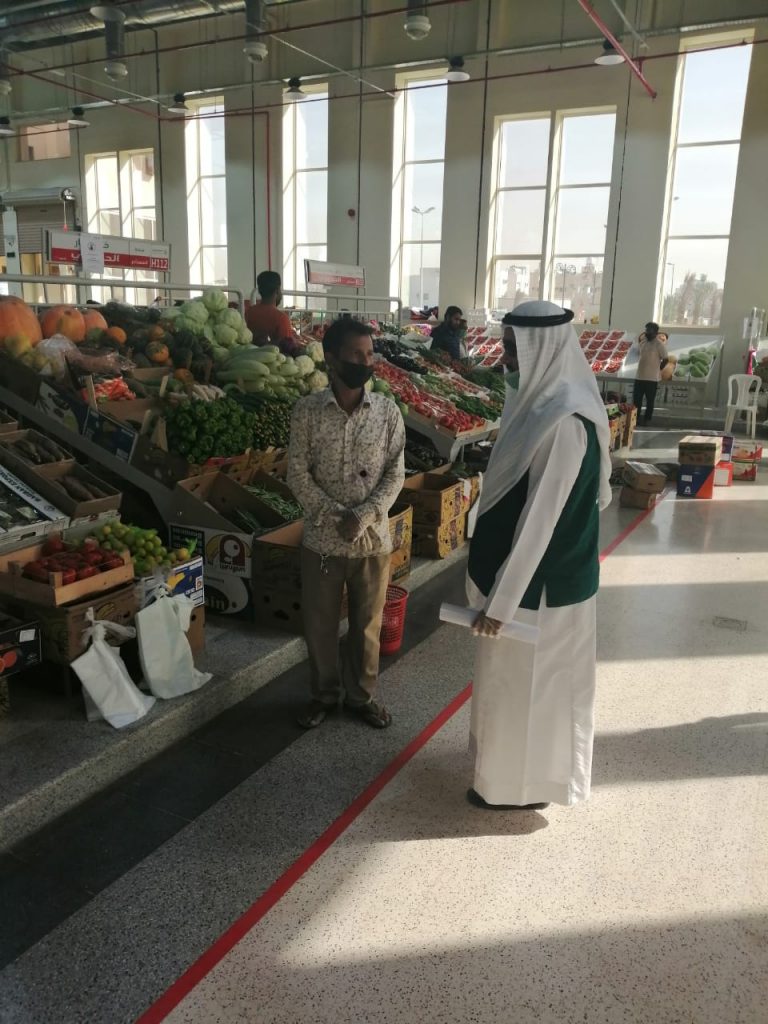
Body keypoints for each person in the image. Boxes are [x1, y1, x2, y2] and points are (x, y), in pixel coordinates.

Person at [466, 300, 612, 811]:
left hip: (542, 591)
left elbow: (540, 522)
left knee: (532, 689)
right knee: (510, 686)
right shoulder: (541, 405)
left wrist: (502, 604)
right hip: (530, 583)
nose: (505, 358)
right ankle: (500, 779)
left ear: (543, 348)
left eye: (513, 348)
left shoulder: (564, 421)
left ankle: (521, 790)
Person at [287, 318, 406, 731]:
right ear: (332, 358)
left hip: (372, 543)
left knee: (367, 626)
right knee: (320, 626)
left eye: (369, 354)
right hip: (322, 542)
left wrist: (365, 515)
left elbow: (396, 474)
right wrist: (335, 515)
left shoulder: (387, 412)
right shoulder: (307, 412)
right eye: (356, 354)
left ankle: (362, 697)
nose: (365, 362)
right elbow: (297, 474)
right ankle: (323, 694)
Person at [245, 270, 294, 345]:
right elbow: (289, 346)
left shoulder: (249, 312)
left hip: (250, 351)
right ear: (277, 291)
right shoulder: (281, 318)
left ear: (259, 291)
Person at [633, 322, 668, 426]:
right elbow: (639, 354)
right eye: (646, 330)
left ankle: (647, 419)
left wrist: (659, 369)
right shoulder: (643, 342)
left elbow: (665, 359)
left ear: (655, 332)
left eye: (649, 330)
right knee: (636, 401)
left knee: (650, 401)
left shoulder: (659, 344)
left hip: (652, 379)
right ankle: (635, 419)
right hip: (639, 377)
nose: (647, 332)